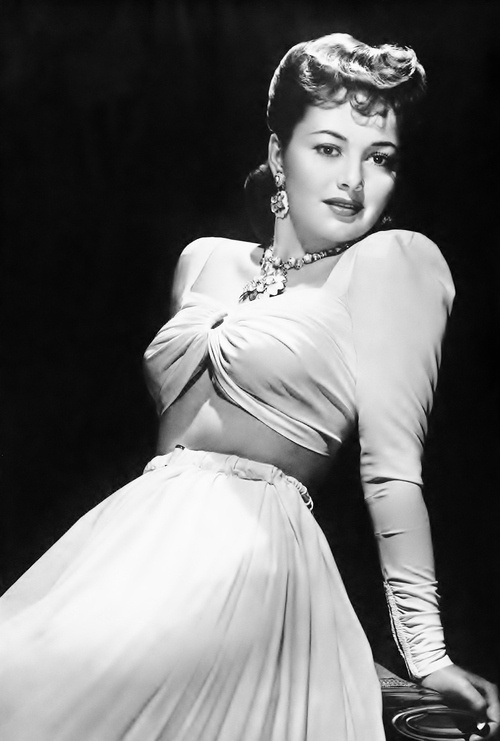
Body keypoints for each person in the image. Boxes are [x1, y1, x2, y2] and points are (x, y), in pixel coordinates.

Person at [0, 32, 498, 741]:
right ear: (277, 155)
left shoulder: (394, 264)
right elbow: (172, 446)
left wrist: (429, 654)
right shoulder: (203, 262)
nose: (354, 181)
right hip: (132, 545)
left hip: (252, 564)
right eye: (328, 148)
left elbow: (393, 474)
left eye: (379, 157)